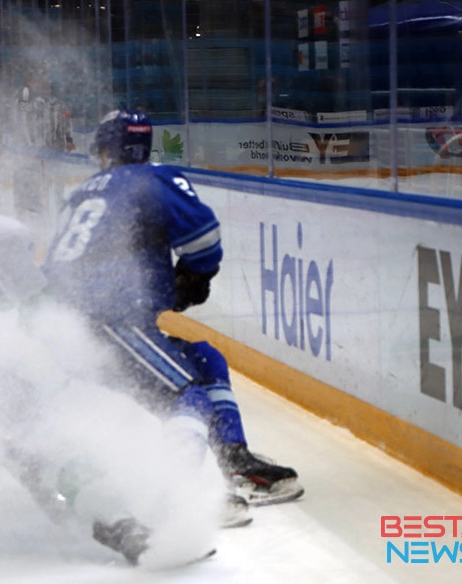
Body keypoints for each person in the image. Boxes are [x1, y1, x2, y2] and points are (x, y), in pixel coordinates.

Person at [0, 161, 223, 567]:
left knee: (19, 442)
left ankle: (69, 512)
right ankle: (126, 527)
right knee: (52, 434)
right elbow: (39, 307)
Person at [41, 109, 304, 506]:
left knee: (205, 359)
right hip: (106, 320)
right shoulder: (153, 178)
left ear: (107, 151)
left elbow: (53, 268)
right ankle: (184, 498)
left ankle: (235, 460)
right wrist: (195, 276)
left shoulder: (81, 192)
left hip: (64, 327)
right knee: (188, 393)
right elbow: (204, 237)